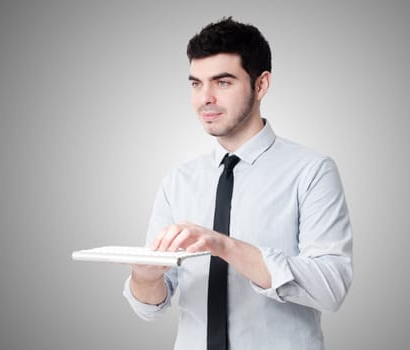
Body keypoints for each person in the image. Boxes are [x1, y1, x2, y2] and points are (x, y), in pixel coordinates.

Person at [123, 17, 353, 350]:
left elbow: (332, 287)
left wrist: (225, 246)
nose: (205, 98)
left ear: (261, 85)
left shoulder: (312, 171)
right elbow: (150, 307)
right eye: (196, 84)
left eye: (223, 82)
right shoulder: (179, 181)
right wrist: (146, 277)